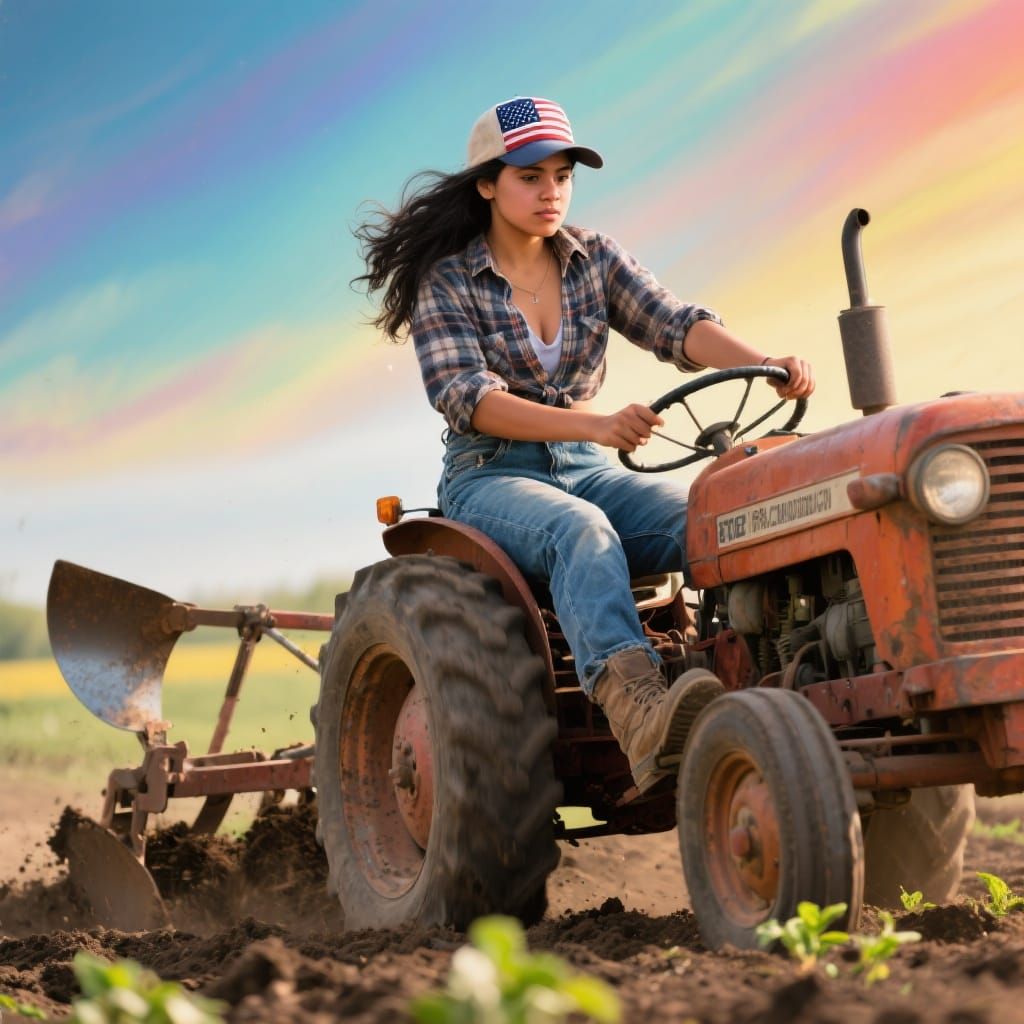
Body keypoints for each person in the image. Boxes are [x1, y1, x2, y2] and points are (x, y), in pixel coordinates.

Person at [355, 96, 814, 790]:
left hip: (585, 467)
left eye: (562, 176)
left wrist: (764, 363)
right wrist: (593, 424)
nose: (552, 192)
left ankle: (764, 672)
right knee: (581, 531)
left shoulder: (592, 257)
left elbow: (674, 324)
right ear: (488, 185)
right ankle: (642, 714)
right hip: (491, 475)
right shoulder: (446, 281)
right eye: (530, 177)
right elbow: (470, 400)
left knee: (712, 517)